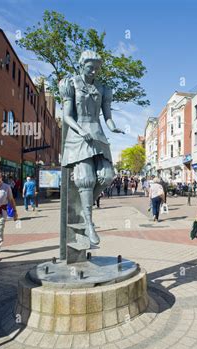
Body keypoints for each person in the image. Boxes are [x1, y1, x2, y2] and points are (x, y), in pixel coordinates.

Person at [59, 50, 123, 245]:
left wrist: (113, 127)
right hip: (79, 136)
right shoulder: (71, 84)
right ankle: (89, 224)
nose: (94, 71)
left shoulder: (104, 88)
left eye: (97, 68)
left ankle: (84, 208)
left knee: (107, 176)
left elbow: (107, 116)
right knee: (86, 179)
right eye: (90, 68)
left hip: (98, 135)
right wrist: (79, 129)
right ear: (81, 66)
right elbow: (66, 116)